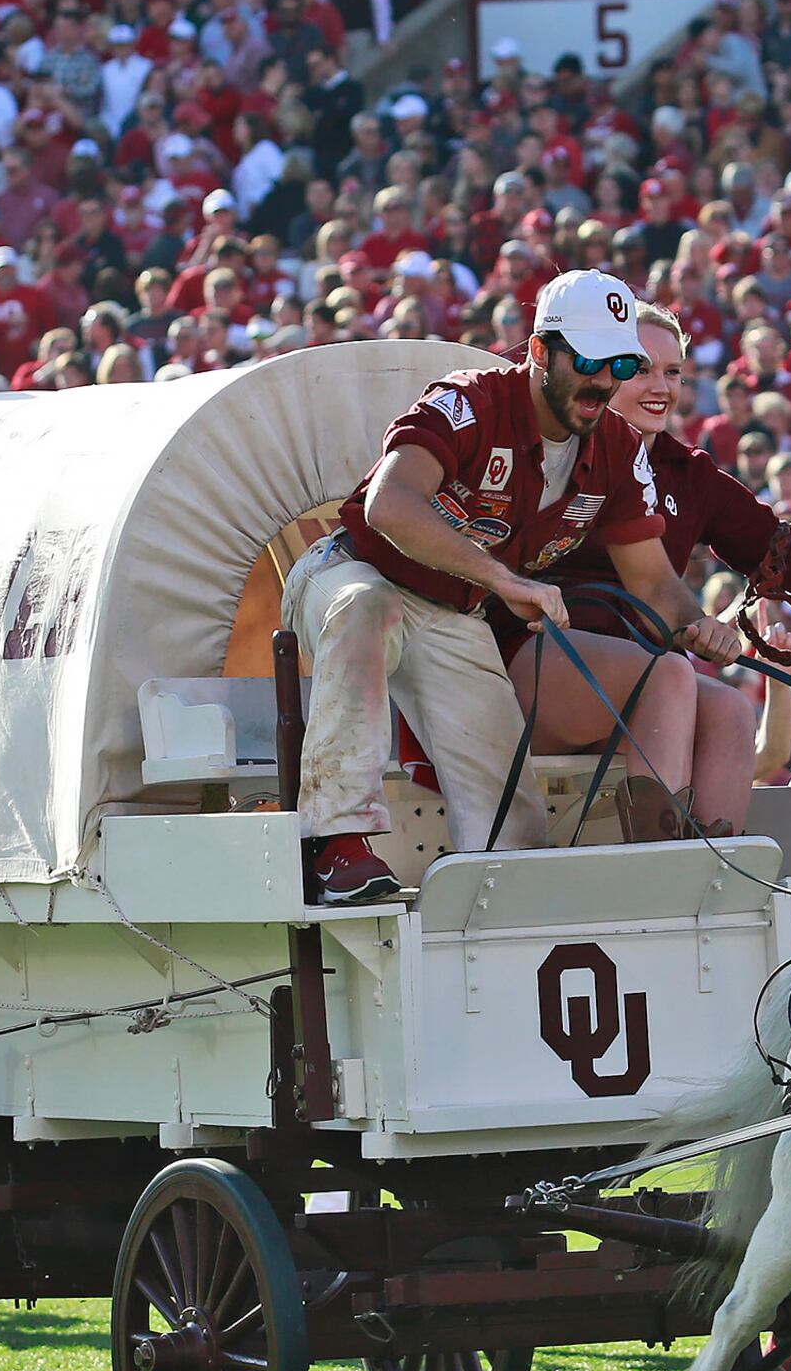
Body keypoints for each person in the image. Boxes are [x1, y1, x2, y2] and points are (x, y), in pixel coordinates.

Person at [288, 270, 745, 905]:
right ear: (538, 352)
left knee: (514, 834)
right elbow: (388, 507)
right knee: (370, 607)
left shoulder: (612, 444)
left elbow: (654, 584)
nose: (603, 380)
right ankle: (335, 848)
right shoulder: (471, 400)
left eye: (620, 362)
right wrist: (501, 577)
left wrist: (703, 628)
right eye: (587, 360)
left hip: (452, 613)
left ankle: (497, 932)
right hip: (351, 571)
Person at [513, 306, 791, 836]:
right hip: (534, 664)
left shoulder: (690, 475)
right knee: (672, 673)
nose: (661, 387)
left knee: (730, 710)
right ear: (603, 369)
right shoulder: (558, 445)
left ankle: (714, 884)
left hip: (645, 690)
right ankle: (660, 865)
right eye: (640, 367)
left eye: (673, 372)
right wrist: (692, 625)